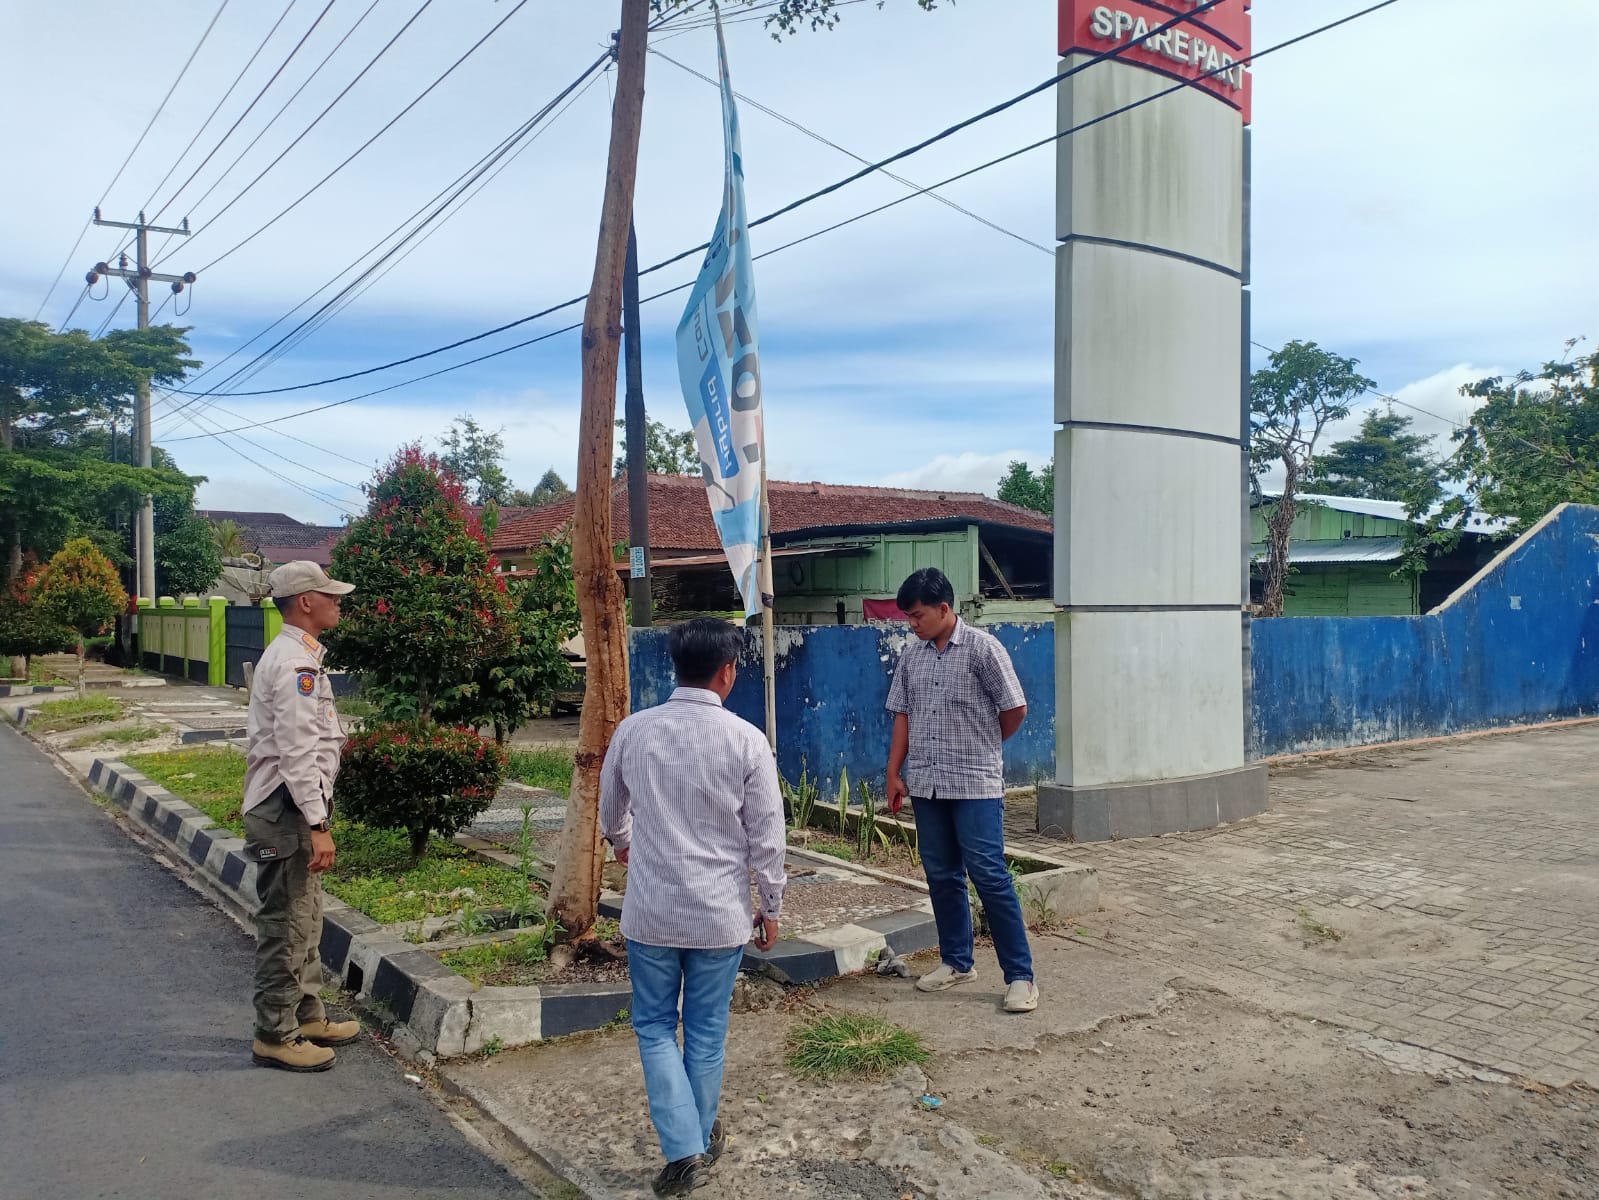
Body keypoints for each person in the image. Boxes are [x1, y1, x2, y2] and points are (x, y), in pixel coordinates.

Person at [600, 618, 786, 1197]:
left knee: (654, 1027)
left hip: (652, 911)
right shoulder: (747, 740)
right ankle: (695, 1143)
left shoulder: (635, 730)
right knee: (706, 1032)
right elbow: (767, 837)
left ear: (675, 667)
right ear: (727, 672)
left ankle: (686, 1149)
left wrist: (625, 843)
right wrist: (771, 903)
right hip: (719, 915)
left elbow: (611, 809)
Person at [885, 567, 1039, 1014]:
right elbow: (902, 716)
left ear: (944, 609)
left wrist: (984, 747)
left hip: (974, 784)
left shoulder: (982, 650)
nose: (912, 625)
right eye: (908, 619)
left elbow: (1014, 708)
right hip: (928, 785)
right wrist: (895, 773)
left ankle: (1021, 977)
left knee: (989, 875)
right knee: (941, 874)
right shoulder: (911, 658)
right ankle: (956, 962)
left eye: (917, 616)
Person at [243, 560, 360, 1072]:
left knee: (306, 917)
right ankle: (275, 1032)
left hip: (296, 805)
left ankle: (307, 1015)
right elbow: (296, 752)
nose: (339, 602)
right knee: (286, 923)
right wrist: (317, 824)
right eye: (330, 596)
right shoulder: (294, 664)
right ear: (305, 602)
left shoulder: (302, 656)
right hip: (287, 808)